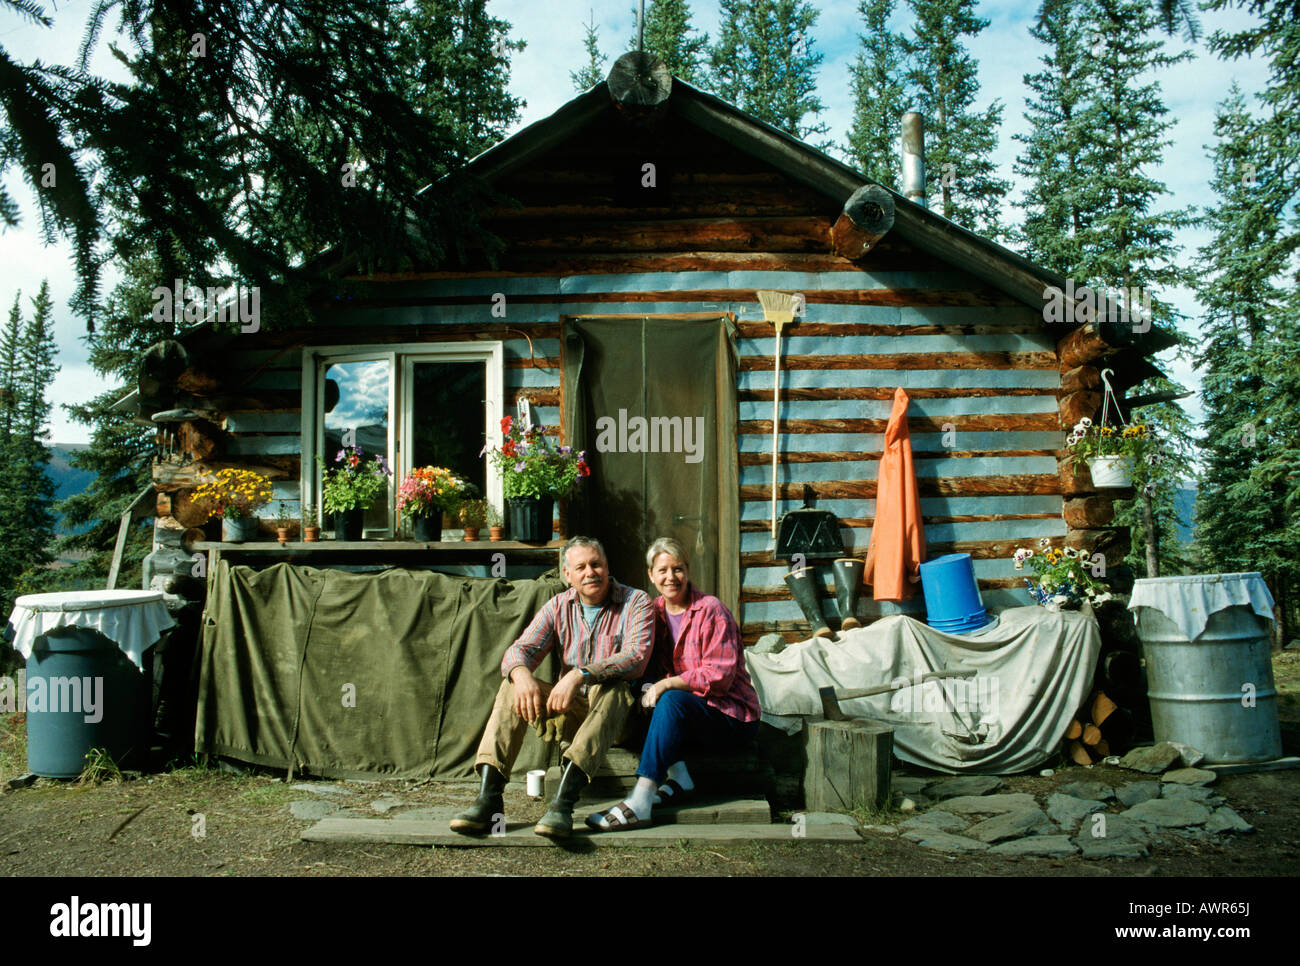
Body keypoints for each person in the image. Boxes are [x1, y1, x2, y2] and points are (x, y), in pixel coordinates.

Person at [450, 535, 654, 840]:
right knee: (512, 685)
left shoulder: (636, 601)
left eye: (596, 564)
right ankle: (488, 799)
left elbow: (635, 658)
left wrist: (579, 675)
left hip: (620, 720)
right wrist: (521, 675)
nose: (590, 572)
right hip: (570, 713)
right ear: (567, 575)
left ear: (607, 566)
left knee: (615, 689)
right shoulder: (558, 605)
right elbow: (519, 650)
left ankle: (562, 804)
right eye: (581, 567)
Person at [586, 537, 760, 830]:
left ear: (688, 572)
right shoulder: (652, 613)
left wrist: (667, 685)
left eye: (678, 569)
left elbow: (720, 675)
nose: (671, 577)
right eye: (663, 570)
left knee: (669, 698)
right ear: (651, 576)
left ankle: (641, 799)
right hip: (688, 716)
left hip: (731, 717)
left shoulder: (711, 610)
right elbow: (642, 661)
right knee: (640, 694)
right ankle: (680, 775)